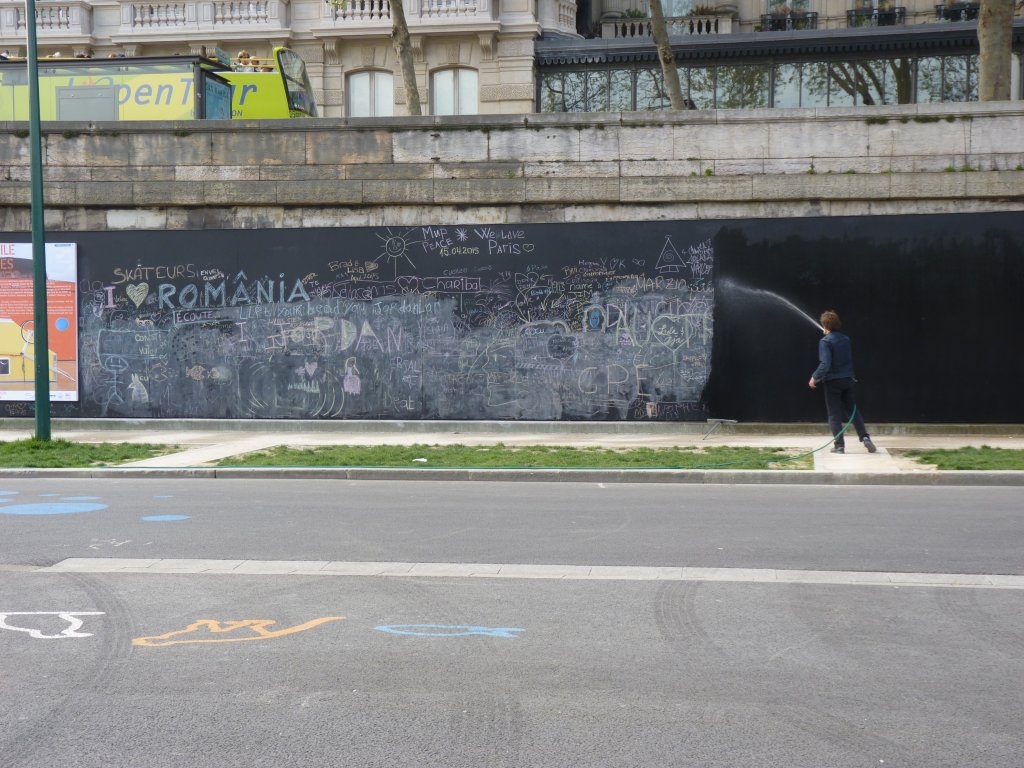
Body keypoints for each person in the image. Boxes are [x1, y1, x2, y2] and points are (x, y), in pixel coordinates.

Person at [808, 309, 876, 454]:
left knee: (834, 414)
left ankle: (839, 446)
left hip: (833, 381)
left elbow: (825, 364)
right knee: (853, 411)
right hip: (848, 379)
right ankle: (865, 438)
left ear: (825, 325)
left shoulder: (825, 342)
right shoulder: (846, 339)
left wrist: (814, 377)